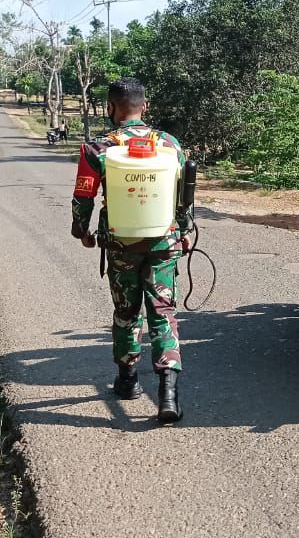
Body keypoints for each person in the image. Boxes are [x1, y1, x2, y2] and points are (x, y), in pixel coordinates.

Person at [71, 77, 190, 423]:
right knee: (163, 311)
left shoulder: (98, 148)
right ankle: (168, 396)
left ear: (110, 108)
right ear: (145, 107)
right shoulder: (169, 145)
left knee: (127, 313)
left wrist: (82, 231)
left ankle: (128, 382)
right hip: (163, 243)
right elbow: (184, 194)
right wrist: (183, 231)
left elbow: (84, 196)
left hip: (121, 245)